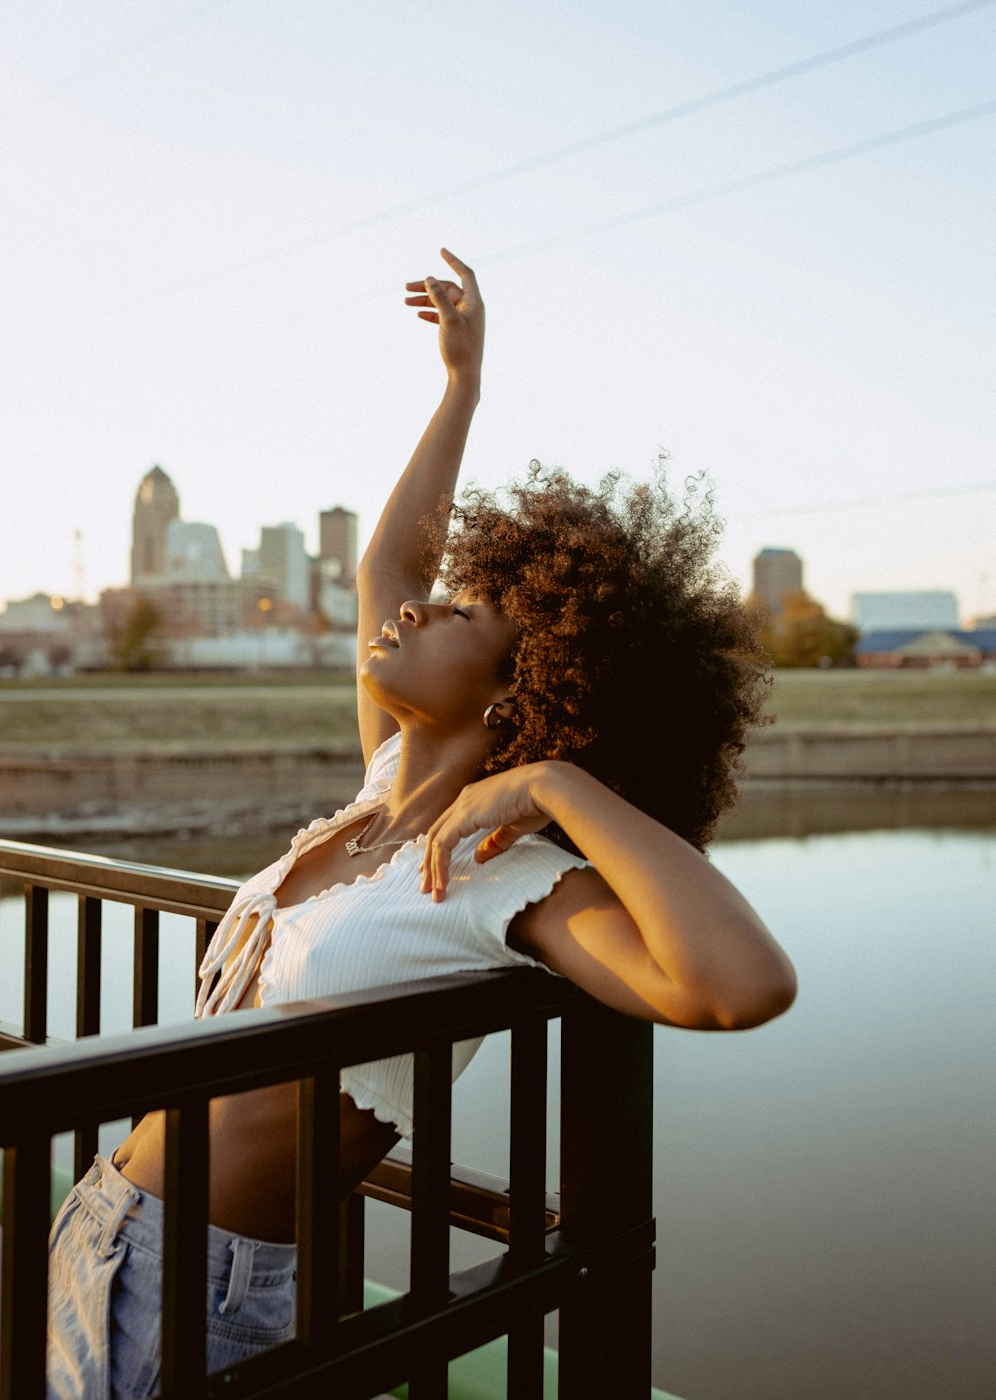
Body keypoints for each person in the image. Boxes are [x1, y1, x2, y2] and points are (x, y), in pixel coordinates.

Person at [46, 249, 796, 1397]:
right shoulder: (383, 775)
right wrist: (461, 387)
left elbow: (739, 984)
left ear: (518, 692)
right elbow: (386, 563)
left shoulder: (507, 871)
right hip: (104, 1213)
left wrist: (554, 785)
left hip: (203, 1284)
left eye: (453, 611)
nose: (409, 604)